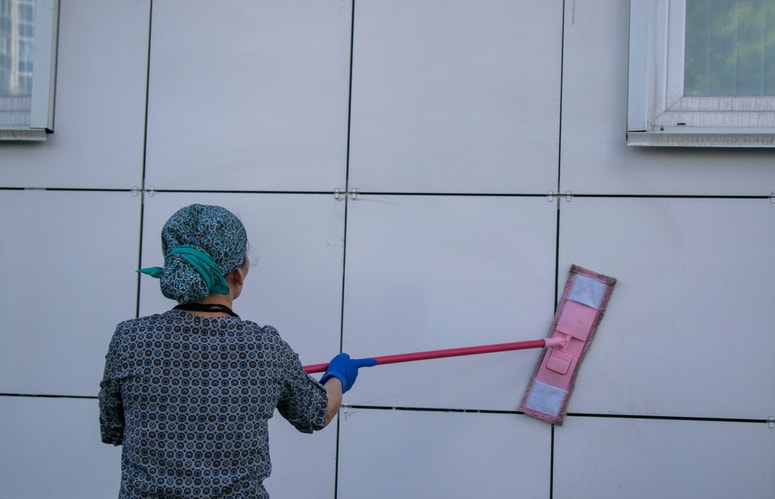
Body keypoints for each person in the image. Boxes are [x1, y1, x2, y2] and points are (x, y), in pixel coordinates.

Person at [99, 204, 375, 498]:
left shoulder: (130, 338)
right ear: (238, 276)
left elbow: (113, 429)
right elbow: (315, 413)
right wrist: (339, 375)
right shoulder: (264, 348)